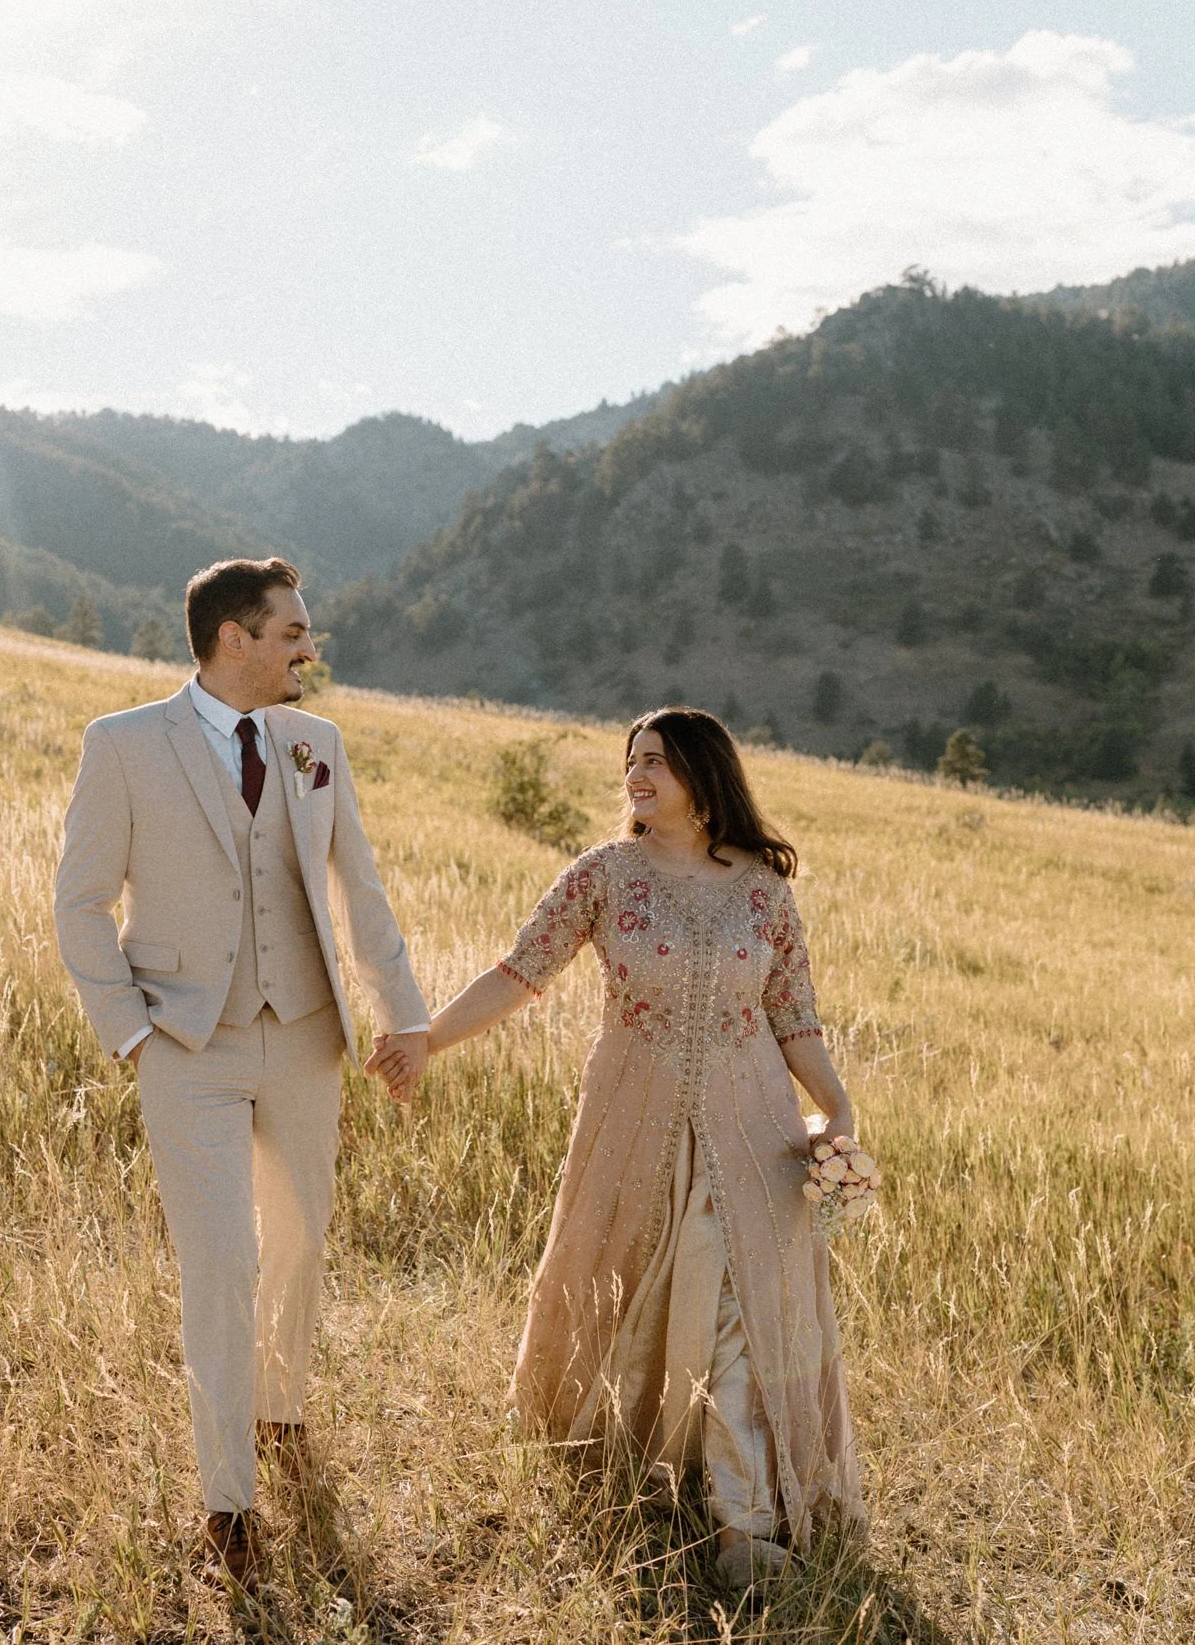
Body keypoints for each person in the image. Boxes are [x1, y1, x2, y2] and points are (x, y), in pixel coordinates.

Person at [381, 707, 865, 1590]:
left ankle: (744, 1525)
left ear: (703, 778)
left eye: (657, 763)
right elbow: (517, 973)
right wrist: (426, 1039)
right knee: (627, 1284)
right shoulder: (603, 877)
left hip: (753, 1126)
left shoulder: (764, 890)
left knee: (734, 1307)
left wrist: (836, 1111)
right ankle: (638, 1471)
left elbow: (793, 1016)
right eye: (631, 762)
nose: (637, 777)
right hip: (632, 1118)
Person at [53, 557, 430, 1587]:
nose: (310, 647)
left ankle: (280, 1412)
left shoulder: (318, 745)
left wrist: (409, 1024)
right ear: (235, 638)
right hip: (186, 1044)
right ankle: (227, 1498)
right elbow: (78, 900)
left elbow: (363, 893)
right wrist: (127, 1030)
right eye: (294, 630)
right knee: (219, 1259)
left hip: (307, 1036)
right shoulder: (123, 745)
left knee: (300, 1241)